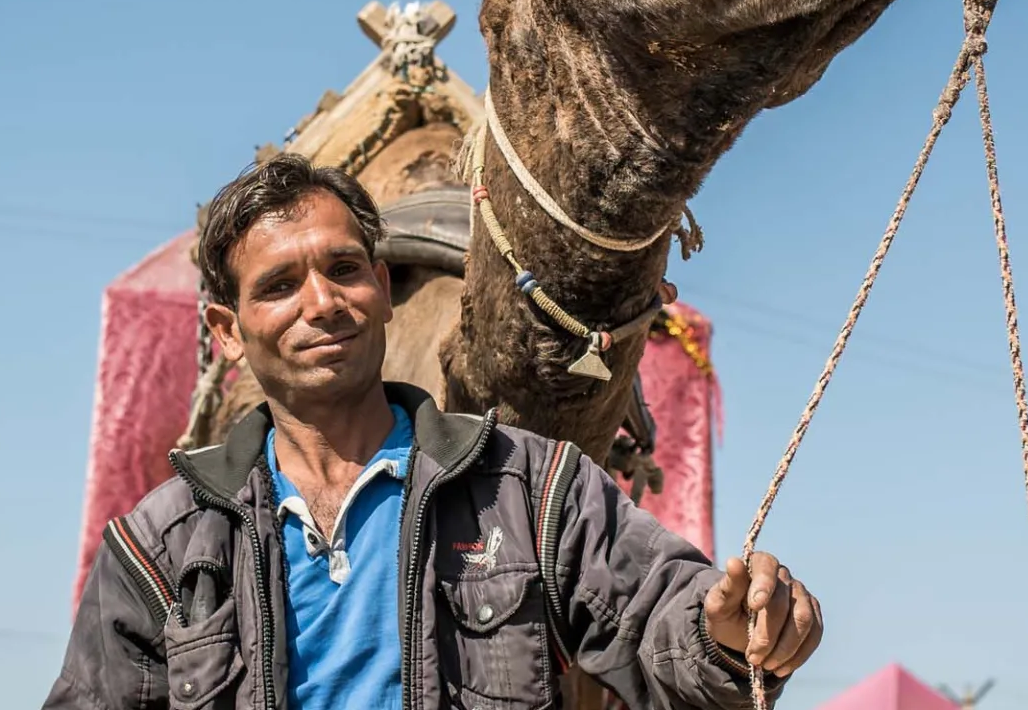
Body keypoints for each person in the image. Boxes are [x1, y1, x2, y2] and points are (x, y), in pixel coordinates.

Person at [43, 156, 822, 710]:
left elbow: (666, 620)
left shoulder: (529, 489)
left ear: (382, 289)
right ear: (228, 330)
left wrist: (729, 631)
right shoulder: (162, 551)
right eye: (279, 286)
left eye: (344, 270)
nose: (322, 304)